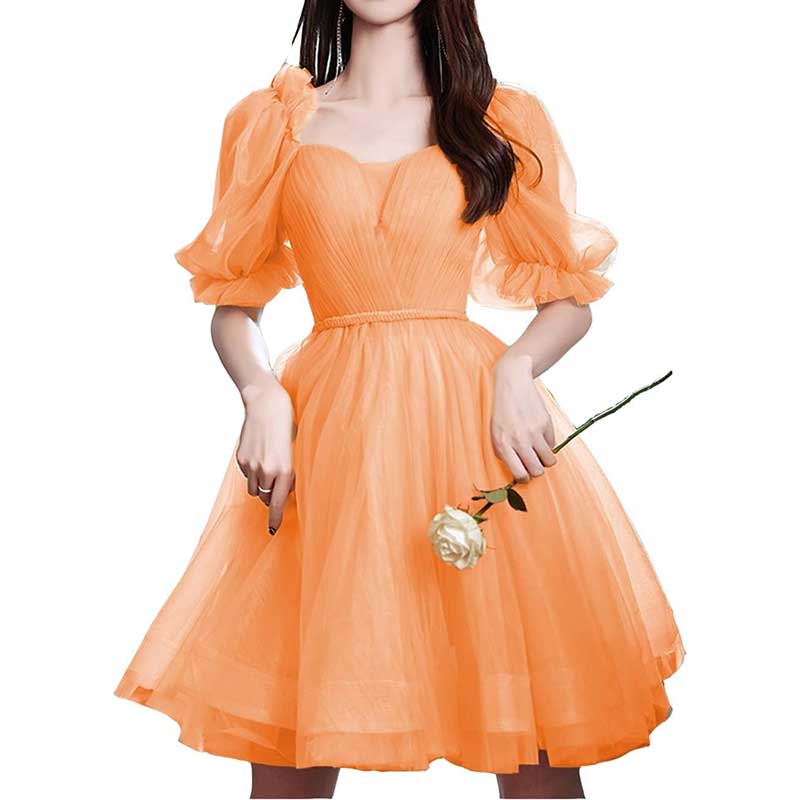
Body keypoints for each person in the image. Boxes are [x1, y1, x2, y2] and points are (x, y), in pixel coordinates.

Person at [114, 1, 685, 797]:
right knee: (293, 746)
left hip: (470, 430)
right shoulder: (272, 122)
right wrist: (260, 392)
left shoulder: (495, 120)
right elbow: (233, 300)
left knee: (534, 748)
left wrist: (518, 369)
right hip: (328, 440)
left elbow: (569, 295)